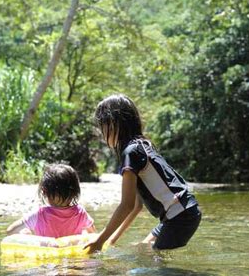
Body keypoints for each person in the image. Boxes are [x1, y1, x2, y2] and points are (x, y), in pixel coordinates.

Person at [84, 94, 201, 253]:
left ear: (114, 123)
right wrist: (111, 240)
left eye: (102, 125)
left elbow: (126, 205)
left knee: (154, 263)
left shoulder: (131, 152)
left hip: (179, 215)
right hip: (181, 212)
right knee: (143, 248)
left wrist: (99, 241)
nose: (101, 132)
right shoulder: (142, 145)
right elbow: (136, 206)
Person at [6, 163, 96, 239]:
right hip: (72, 254)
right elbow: (93, 234)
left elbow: (10, 231)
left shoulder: (40, 214)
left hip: (47, 255)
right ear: (75, 191)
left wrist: (27, 235)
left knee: (25, 233)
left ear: (45, 191)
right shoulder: (80, 213)